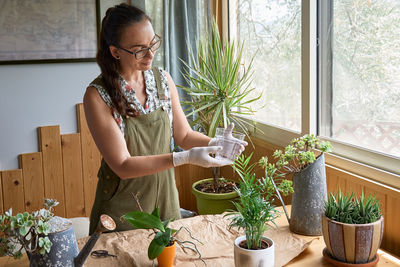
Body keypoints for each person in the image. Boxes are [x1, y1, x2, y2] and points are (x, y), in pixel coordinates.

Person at [83, 3, 247, 234]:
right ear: (115, 51)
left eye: (152, 43)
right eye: (139, 49)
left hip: (165, 200)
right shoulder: (98, 96)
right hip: (122, 210)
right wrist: (185, 158)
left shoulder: (162, 80)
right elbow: (123, 165)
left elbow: (184, 135)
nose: (151, 54)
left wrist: (216, 144)